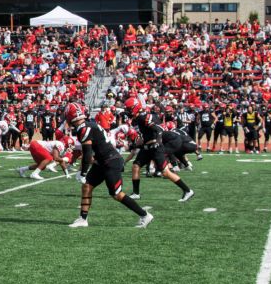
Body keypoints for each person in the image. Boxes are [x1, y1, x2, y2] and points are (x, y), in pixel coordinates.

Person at [64, 101, 153, 229]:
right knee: (87, 186)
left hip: (111, 161)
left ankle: (144, 215)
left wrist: (83, 172)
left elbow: (87, 153)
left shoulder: (84, 128)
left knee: (117, 194)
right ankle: (83, 219)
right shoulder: (88, 125)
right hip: (102, 161)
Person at [126, 98, 194, 202]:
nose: (128, 111)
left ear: (135, 107)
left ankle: (188, 190)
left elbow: (159, 129)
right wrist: (135, 145)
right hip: (147, 147)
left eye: (129, 108)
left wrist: (157, 141)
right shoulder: (140, 117)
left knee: (165, 172)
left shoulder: (144, 117)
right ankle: (136, 193)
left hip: (155, 147)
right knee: (136, 166)